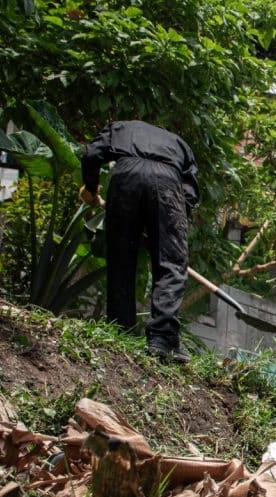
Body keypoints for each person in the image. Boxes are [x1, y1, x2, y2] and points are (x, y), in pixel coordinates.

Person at [80, 121, 198, 363]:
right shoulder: (180, 144)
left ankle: (119, 329)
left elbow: (92, 153)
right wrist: (166, 231)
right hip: (168, 182)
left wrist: (91, 187)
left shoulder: (122, 127)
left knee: (121, 258)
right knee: (172, 264)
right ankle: (162, 339)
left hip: (125, 177)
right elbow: (190, 193)